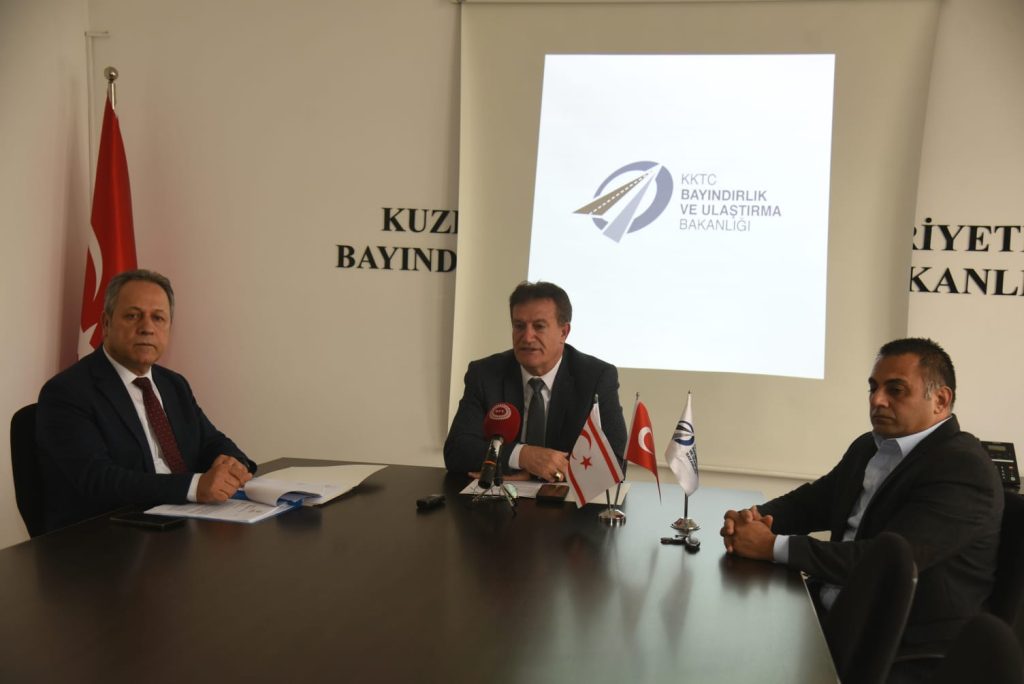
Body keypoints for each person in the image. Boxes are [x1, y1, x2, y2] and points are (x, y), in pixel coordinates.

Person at [720, 338, 1003, 673]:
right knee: (726, 641)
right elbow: (812, 502)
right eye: (873, 387)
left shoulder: (963, 469)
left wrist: (772, 546)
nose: (877, 400)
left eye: (895, 390)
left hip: (899, 650)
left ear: (940, 400)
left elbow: (881, 565)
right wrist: (754, 519)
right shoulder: (869, 446)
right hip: (834, 616)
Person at [36, 269, 255, 531]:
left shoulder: (173, 384)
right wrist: (195, 487)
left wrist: (233, 464)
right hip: (108, 535)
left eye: (158, 318)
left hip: (181, 523)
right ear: (106, 323)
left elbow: (210, 441)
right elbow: (98, 479)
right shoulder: (67, 391)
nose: (147, 328)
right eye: (133, 316)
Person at [444, 281, 627, 482]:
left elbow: (614, 461)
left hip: (565, 499)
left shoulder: (596, 378)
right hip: (499, 497)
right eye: (519, 326)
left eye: (539, 326)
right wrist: (522, 456)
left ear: (564, 332)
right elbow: (456, 451)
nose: (527, 337)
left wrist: (536, 472)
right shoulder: (485, 374)